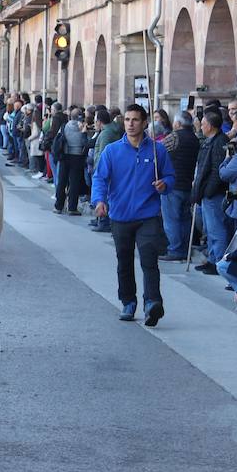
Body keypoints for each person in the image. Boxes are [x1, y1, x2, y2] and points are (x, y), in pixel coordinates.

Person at [91, 104, 173, 326]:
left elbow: (170, 176)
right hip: (120, 216)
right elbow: (99, 178)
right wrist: (99, 200)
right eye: (127, 119)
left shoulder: (158, 150)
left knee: (149, 259)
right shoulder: (112, 151)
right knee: (124, 261)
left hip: (148, 215)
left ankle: (152, 303)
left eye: (135, 120)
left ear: (144, 123)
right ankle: (128, 301)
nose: (130, 124)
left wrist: (164, 184)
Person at [191, 109, 232, 272]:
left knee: (217, 229)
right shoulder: (211, 140)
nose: (200, 127)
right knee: (210, 228)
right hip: (206, 191)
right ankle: (212, 257)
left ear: (210, 125)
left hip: (214, 193)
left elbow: (216, 170)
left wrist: (208, 191)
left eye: (203, 124)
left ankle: (218, 262)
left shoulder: (219, 141)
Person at [160, 110, 200, 261]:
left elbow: (158, 151)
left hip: (173, 183)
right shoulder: (195, 139)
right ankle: (184, 248)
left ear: (177, 123)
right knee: (184, 218)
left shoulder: (174, 136)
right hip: (188, 183)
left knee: (171, 219)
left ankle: (175, 249)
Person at [54, 106, 89, 215]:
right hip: (77, 156)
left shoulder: (64, 126)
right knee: (74, 182)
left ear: (70, 116)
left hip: (65, 155)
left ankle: (58, 206)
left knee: (62, 181)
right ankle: (72, 207)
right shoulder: (82, 127)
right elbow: (85, 142)